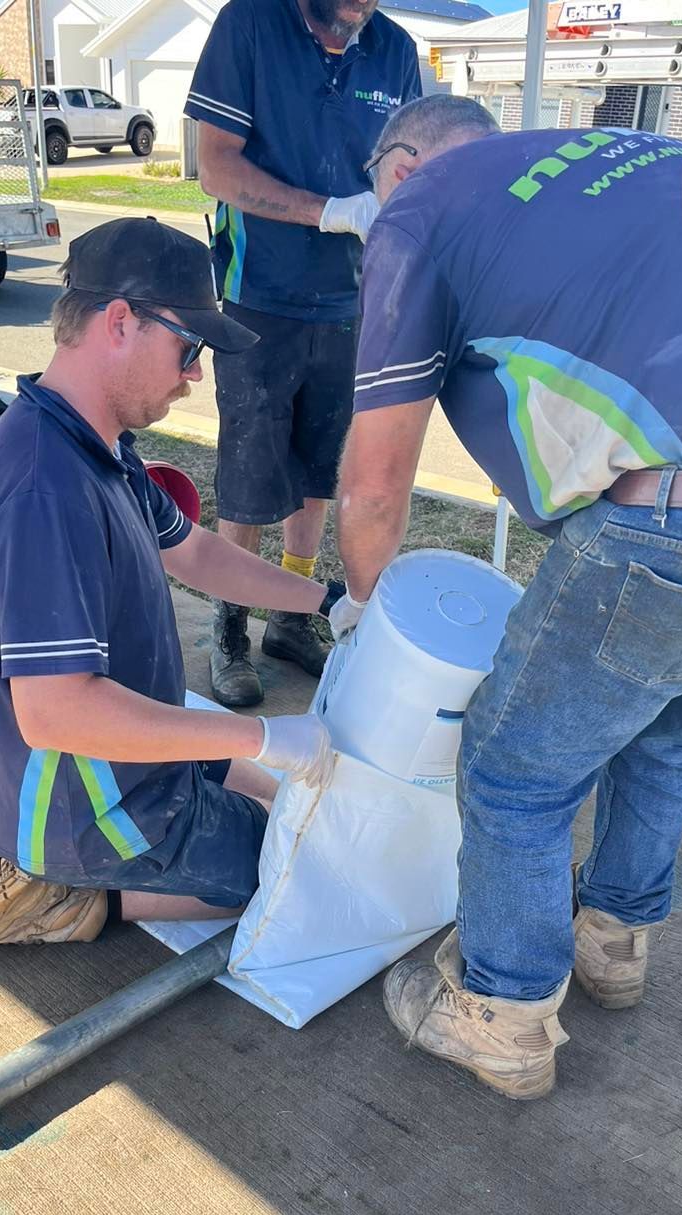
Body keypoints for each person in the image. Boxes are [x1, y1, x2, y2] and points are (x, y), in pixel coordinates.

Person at [332, 96, 682, 1100]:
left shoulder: (421, 212)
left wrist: (369, 619)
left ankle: (503, 1015)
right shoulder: (650, 154)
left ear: (403, 164)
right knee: (665, 731)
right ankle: (614, 944)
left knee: (516, 768)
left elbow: (376, 481)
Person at [0, 218, 337, 958]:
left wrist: (325, 601)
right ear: (121, 323)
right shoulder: (44, 489)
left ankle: (30, 848)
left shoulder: (89, 441)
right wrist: (259, 733)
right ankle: (64, 895)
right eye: (189, 348)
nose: (195, 374)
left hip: (117, 760)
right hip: (95, 802)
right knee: (304, 866)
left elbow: (193, 552)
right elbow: (57, 711)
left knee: (292, 795)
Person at [183, 0, 421, 707]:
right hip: (262, 293)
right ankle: (230, 621)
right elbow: (216, 170)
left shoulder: (394, 49)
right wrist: (329, 211)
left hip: (353, 300)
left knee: (322, 466)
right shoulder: (249, 26)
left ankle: (290, 615)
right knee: (253, 472)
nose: (361, 6)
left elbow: (409, 162)